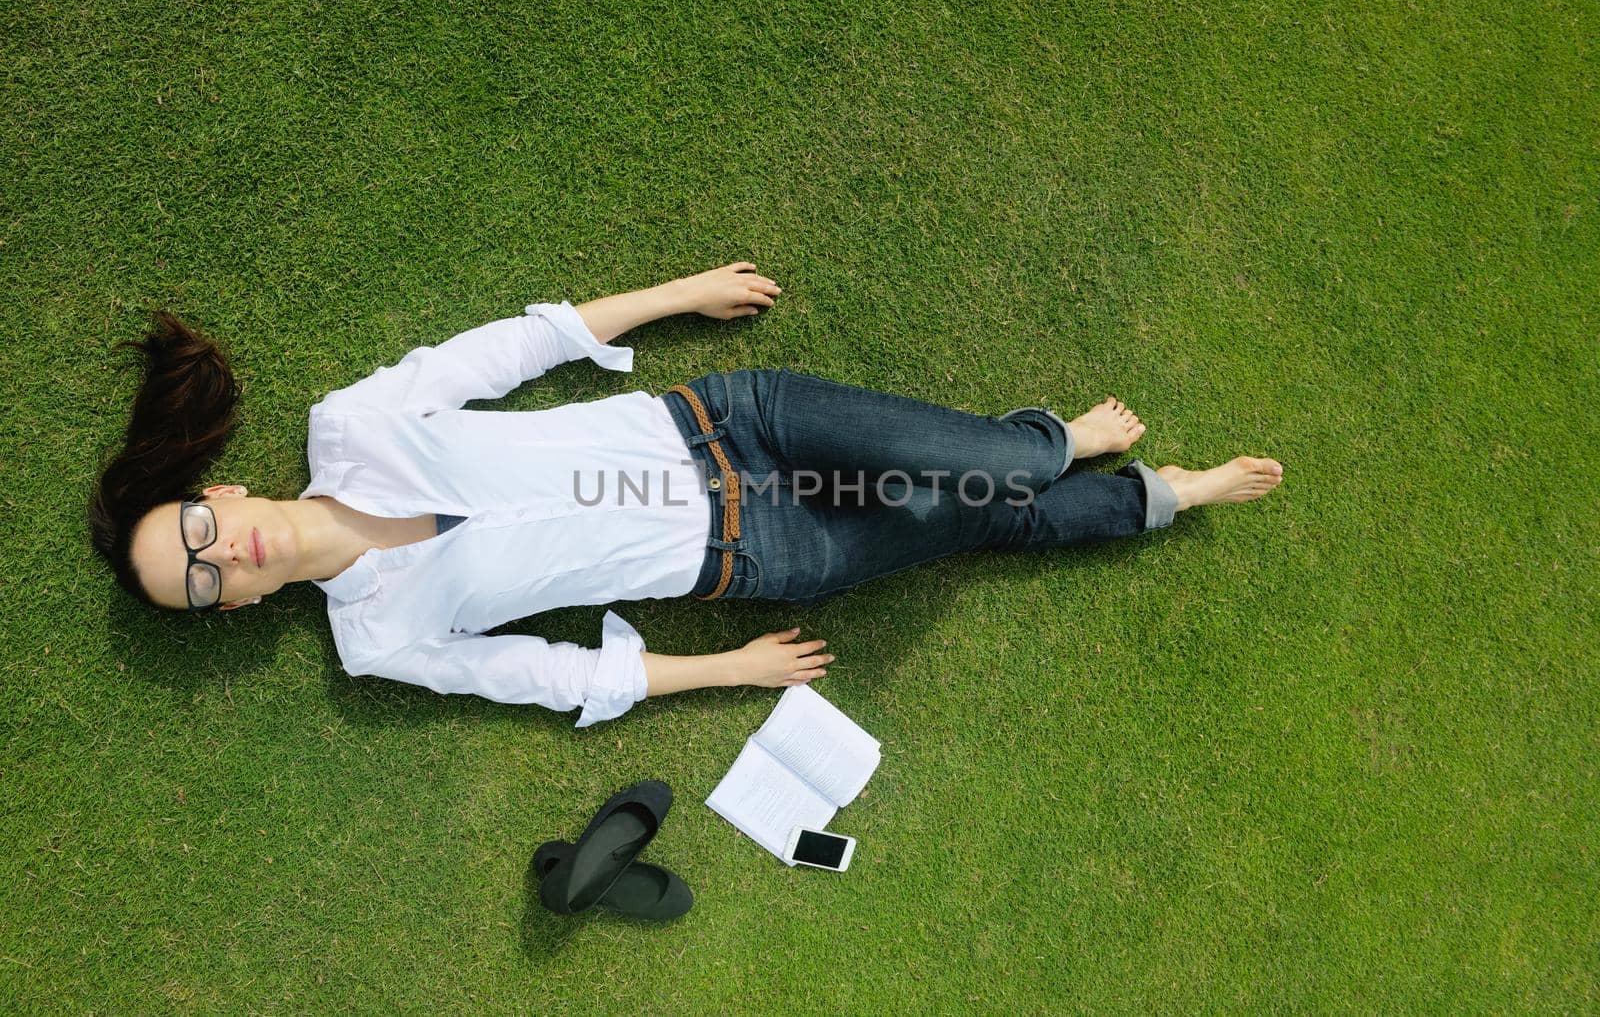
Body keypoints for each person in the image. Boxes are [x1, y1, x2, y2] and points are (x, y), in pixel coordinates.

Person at [89, 263, 1283, 727]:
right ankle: (1161, 499)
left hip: (731, 421)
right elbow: (548, 675)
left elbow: (506, 349)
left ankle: (1050, 439)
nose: (221, 552)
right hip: (765, 551)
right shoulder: (377, 638)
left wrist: (676, 295)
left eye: (195, 527)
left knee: (1009, 465)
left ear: (219, 487)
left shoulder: (350, 426)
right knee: (974, 518)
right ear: (231, 608)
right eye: (201, 582)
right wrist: (727, 669)